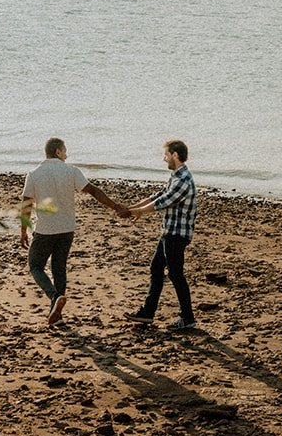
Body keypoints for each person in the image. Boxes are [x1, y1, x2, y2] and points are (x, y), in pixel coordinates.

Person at [20, 137, 127, 326]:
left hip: (45, 230)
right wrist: (115, 206)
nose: (67, 153)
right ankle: (58, 315)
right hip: (67, 229)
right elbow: (93, 191)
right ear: (58, 152)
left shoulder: (34, 174)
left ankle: (54, 298)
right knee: (59, 268)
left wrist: (23, 230)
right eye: (65, 150)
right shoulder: (71, 171)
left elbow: (26, 204)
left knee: (35, 266)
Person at [124, 139, 199, 331]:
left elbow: (164, 201)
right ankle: (147, 313)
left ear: (175, 155)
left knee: (175, 274)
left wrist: (138, 211)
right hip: (169, 232)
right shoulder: (175, 176)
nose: (163, 158)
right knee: (156, 268)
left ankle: (187, 318)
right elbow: (158, 195)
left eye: (166, 154)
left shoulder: (183, 180)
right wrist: (132, 208)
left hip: (177, 234)